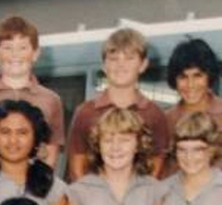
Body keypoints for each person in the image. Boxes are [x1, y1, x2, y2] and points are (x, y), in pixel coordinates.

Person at [0, 16, 65, 171]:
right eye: (8, 48)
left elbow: (51, 154)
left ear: (36, 53)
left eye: (23, 48)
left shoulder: (51, 100)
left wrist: (36, 182)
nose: (15, 54)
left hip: (33, 183)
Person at [66, 28, 169, 181]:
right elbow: (76, 166)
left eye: (129, 58)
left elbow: (157, 165)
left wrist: (138, 194)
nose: (120, 65)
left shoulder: (155, 114)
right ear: (104, 65)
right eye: (113, 59)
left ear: (143, 65)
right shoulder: (85, 112)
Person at [164, 38, 222, 183]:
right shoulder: (165, 119)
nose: (190, 85)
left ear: (209, 76)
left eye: (197, 75)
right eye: (183, 77)